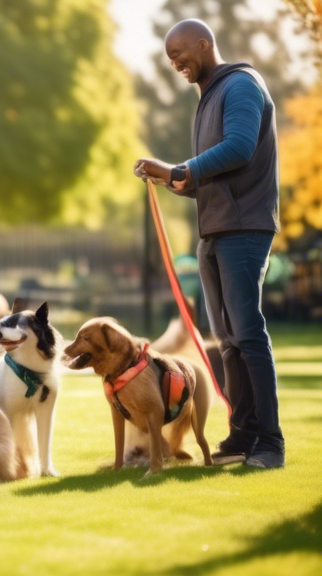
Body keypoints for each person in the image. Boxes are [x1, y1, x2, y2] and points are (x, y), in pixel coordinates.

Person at [133, 19, 284, 469]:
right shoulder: (208, 96)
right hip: (215, 231)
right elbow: (217, 173)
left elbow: (239, 148)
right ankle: (242, 436)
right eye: (169, 58)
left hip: (244, 230)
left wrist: (179, 168)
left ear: (205, 44)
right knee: (228, 340)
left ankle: (270, 444)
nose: (175, 63)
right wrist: (182, 184)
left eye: (179, 53)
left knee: (248, 334)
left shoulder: (239, 84)